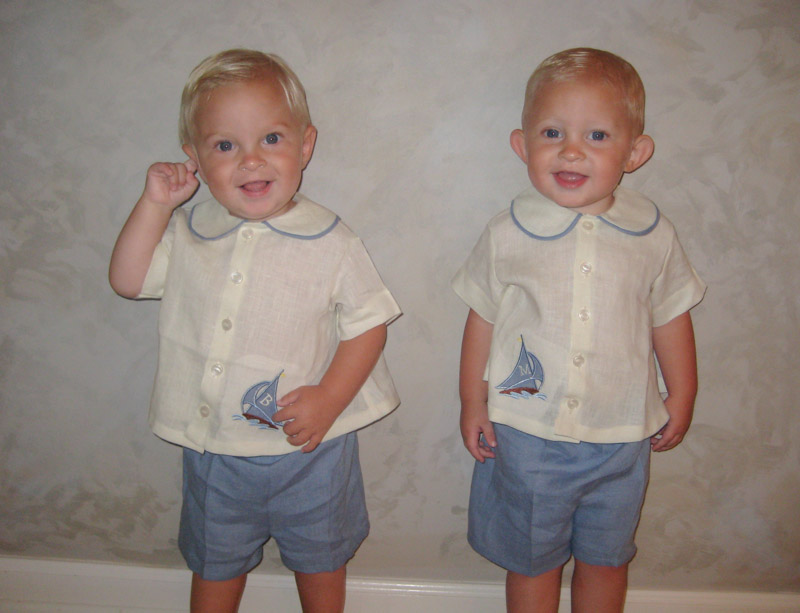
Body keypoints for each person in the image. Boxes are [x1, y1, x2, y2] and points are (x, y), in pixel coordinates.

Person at [109, 49, 401, 613]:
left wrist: (328, 399)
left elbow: (368, 328)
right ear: (194, 157)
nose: (250, 161)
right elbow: (128, 279)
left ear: (305, 146)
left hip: (312, 449)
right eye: (225, 145)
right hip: (216, 447)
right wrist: (153, 205)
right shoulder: (191, 231)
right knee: (215, 566)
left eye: (271, 139)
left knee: (321, 561)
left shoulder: (331, 240)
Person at [452, 48, 706, 612]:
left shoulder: (653, 235)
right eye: (552, 132)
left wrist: (682, 393)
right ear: (522, 145)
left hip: (621, 437)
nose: (571, 150)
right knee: (533, 560)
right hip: (529, 433)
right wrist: (473, 399)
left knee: (607, 558)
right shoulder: (507, 233)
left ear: (634, 153)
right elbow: (482, 318)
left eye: (596, 135)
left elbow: (670, 314)